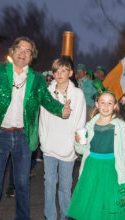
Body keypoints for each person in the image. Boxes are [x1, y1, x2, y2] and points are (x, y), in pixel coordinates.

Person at [0, 36, 71, 220]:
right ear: (12, 51)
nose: (23, 53)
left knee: (22, 184)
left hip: (24, 137)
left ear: (31, 56)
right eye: (20, 48)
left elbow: (48, 102)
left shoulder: (37, 80)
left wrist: (62, 110)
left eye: (28, 51)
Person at [67, 86, 125, 220]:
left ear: (115, 106)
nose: (106, 106)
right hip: (91, 169)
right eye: (102, 102)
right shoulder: (90, 125)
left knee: (110, 206)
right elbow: (82, 150)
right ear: (97, 104)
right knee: (91, 206)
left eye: (110, 103)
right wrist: (78, 142)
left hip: (112, 169)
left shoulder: (120, 125)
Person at [39, 57, 86, 220]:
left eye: (64, 71)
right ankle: (50, 216)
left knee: (65, 186)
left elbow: (81, 120)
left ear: (70, 73)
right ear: (52, 74)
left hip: (68, 148)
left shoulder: (78, 94)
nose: (60, 74)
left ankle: (66, 216)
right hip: (49, 147)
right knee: (49, 184)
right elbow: (42, 120)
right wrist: (43, 141)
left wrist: (78, 145)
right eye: (56, 71)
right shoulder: (47, 93)